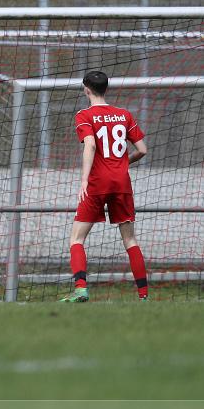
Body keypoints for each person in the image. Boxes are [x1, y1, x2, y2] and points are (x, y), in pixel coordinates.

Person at [61, 71, 149, 302]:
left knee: (77, 239)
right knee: (130, 239)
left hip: (98, 183)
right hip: (121, 182)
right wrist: (121, 164)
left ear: (86, 89)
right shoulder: (124, 114)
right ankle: (143, 296)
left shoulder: (84, 115)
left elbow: (89, 145)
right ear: (106, 88)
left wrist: (84, 180)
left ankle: (80, 289)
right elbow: (142, 149)